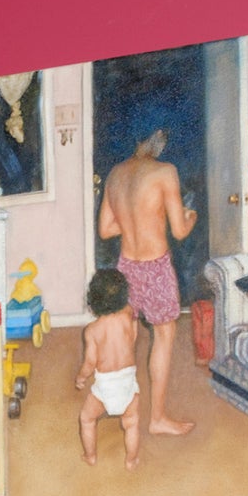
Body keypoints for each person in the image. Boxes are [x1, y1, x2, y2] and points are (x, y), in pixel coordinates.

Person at [98, 129, 197, 435]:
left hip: (126, 266)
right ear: (154, 141)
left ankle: (118, 406)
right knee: (164, 337)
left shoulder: (115, 174)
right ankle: (156, 419)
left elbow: (106, 229)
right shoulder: (165, 172)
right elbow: (179, 231)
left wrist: (135, 220)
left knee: (126, 336)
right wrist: (190, 217)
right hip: (155, 267)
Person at [75, 268, 141, 470]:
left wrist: (81, 377)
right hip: (128, 381)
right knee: (131, 423)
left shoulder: (92, 331)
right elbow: (133, 336)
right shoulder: (128, 316)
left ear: (93, 300)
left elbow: (90, 362)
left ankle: (90, 456)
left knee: (87, 419)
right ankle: (131, 460)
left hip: (105, 386)